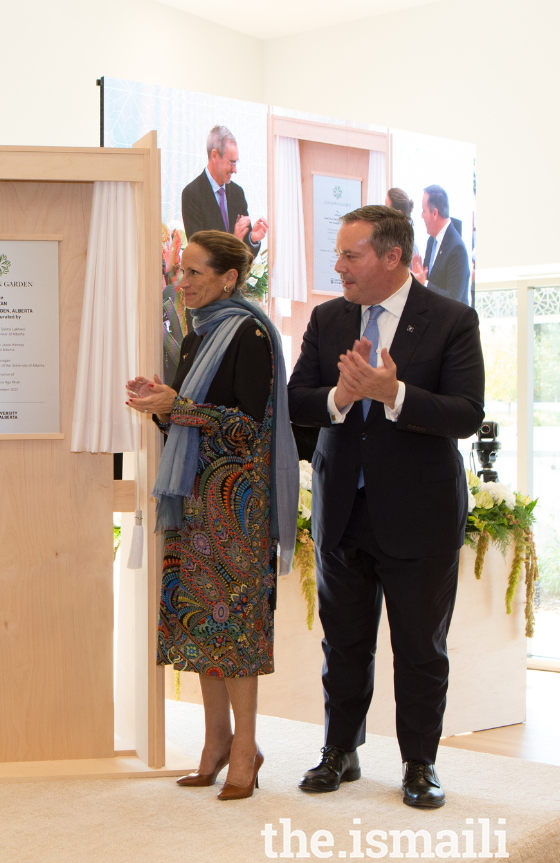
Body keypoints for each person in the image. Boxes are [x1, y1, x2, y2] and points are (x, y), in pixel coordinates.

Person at [287, 205, 484, 809]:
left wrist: (393, 392)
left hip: (419, 516)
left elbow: (466, 414)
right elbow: (298, 400)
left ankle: (419, 764)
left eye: (350, 255)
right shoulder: (327, 319)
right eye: (338, 254)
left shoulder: (451, 319)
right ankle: (339, 751)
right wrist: (341, 397)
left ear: (392, 257)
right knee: (343, 643)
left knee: (421, 649)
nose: (338, 266)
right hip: (343, 509)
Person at [127, 230, 298, 801]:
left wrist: (182, 407)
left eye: (194, 273)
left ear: (229, 277)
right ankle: (215, 741)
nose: (183, 283)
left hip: (237, 508)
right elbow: (186, 423)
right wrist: (161, 404)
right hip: (195, 500)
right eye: (180, 272)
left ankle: (245, 747)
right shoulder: (196, 336)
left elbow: (250, 429)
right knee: (203, 624)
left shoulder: (249, 333)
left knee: (236, 632)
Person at [181, 126, 267, 256]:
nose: (235, 170)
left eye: (236, 163)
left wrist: (253, 238)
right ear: (214, 155)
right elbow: (200, 254)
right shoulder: (192, 194)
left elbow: (245, 255)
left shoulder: (238, 193)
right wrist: (234, 240)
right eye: (231, 163)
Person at [410, 185, 470, 306]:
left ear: (435, 213)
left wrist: (424, 284)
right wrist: (419, 277)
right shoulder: (431, 241)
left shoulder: (457, 248)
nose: (421, 216)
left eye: (424, 211)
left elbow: (453, 299)